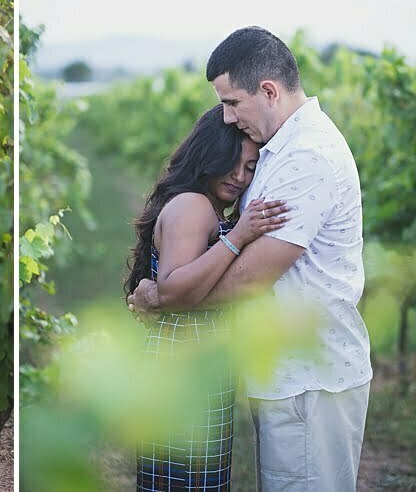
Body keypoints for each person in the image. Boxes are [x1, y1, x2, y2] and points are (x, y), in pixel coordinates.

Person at [128, 26, 372, 492]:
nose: (226, 116)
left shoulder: (308, 158)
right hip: (289, 373)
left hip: (308, 377)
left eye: (232, 102)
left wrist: (164, 298)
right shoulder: (281, 150)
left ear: (268, 91)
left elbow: (250, 279)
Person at [125, 104, 289, 491]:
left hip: (197, 359)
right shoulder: (192, 206)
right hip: (180, 364)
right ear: (207, 155)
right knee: (183, 478)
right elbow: (175, 288)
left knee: (193, 478)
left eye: (250, 167)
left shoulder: (205, 206)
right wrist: (239, 235)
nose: (239, 175)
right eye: (231, 162)